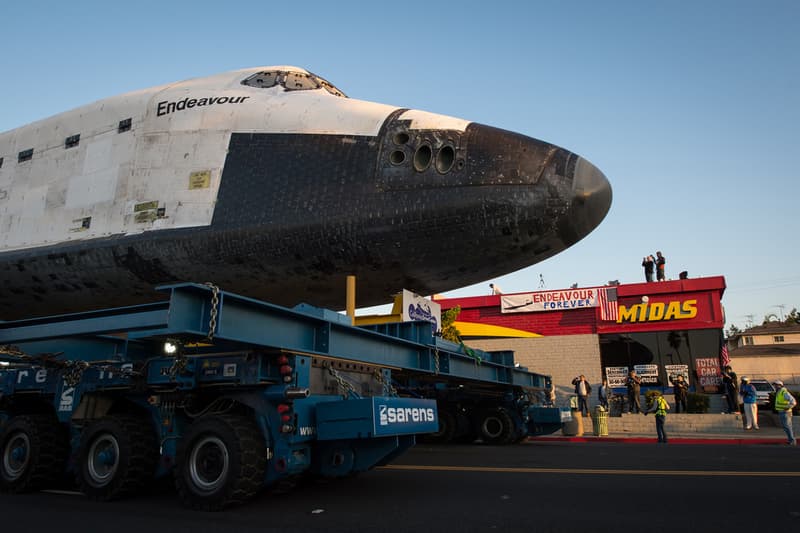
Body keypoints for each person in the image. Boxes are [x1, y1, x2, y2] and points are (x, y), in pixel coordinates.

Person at [773, 380, 797, 446]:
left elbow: (793, 401)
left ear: (780, 385)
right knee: (785, 427)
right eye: (774, 385)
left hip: (785, 412)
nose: (775, 386)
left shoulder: (784, 392)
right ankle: (790, 440)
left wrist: (788, 407)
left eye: (776, 385)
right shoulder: (779, 392)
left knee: (788, 426)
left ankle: (792, 441)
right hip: (782, 412)